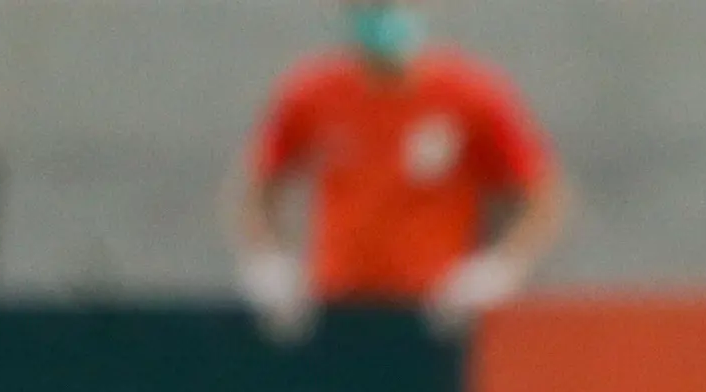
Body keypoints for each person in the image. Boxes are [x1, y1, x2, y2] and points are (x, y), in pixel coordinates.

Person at [232, 4, 567, 340]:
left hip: (436, 313)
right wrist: (268, 262)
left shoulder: (470, 95)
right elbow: (257, 185)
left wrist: (499, 269)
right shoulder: (311, 93)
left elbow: (541, 195)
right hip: (337, 304)